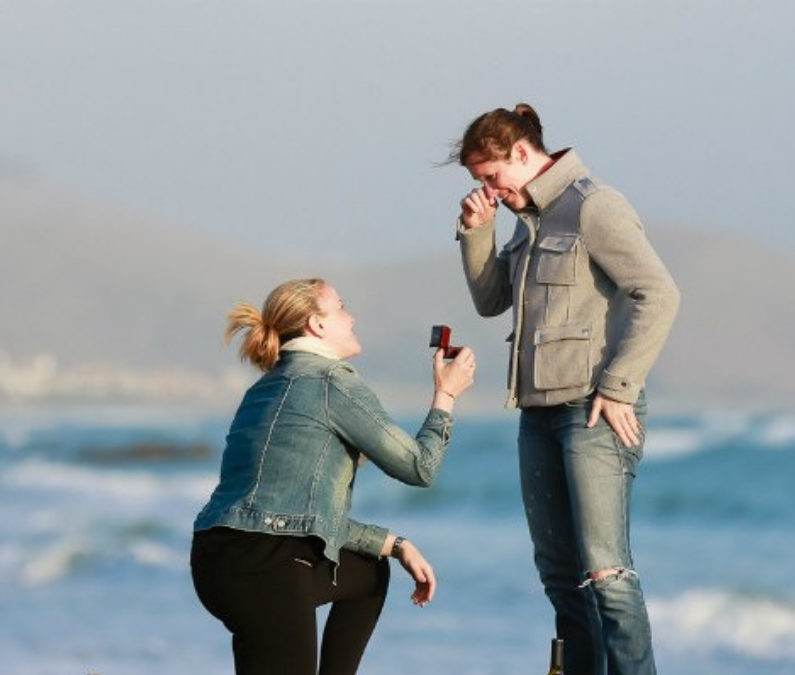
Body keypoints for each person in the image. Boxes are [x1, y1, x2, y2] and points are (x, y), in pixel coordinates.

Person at [448, 104, 680, 675]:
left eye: (491, 177)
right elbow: (490, 299)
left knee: (607, 574)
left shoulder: (594, 206)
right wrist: (478, 232)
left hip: (594, 414)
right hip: (537, 416)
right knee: (559, 574)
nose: (489, 190)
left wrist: (620, 387)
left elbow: (660, 294)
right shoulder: (531, 221)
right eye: (479, 182)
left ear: (521, 154)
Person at [191, 277, 477, 675]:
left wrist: (393, 544)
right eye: (341, 307)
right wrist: (446, 396)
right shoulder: (331, 383)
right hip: (268, 565)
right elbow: (419, 467)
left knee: (367, 570)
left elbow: (297, 511)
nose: (352, 316)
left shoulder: (264, 387)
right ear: (317, 325)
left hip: (214, 560)